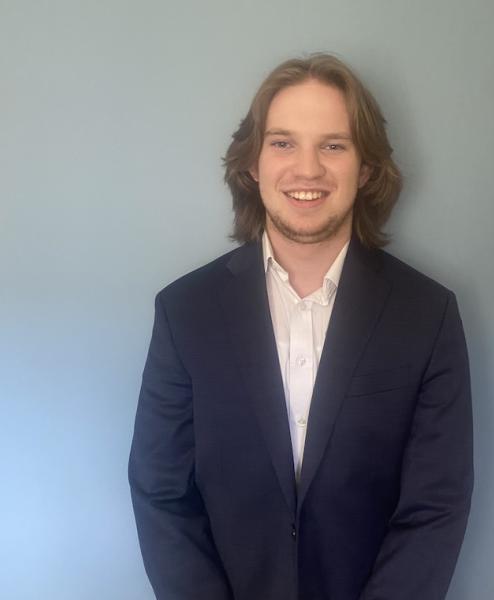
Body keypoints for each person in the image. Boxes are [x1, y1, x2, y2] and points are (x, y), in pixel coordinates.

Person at [128, 53, 473, 600]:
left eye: (333, 145)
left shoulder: (427, 314)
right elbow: (160, 492)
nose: (307, 169)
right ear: (252, 163)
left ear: (364, 168)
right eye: (283, 142)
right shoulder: (184, 311)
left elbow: (436, 506)